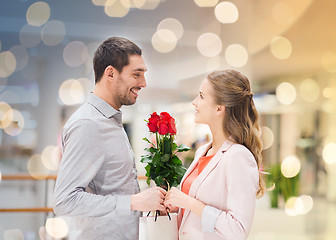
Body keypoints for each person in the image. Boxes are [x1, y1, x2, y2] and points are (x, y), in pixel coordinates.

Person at [53, 37, 167, 240]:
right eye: (136, 75)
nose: (143, 83)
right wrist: (134, 202)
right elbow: (64, 201)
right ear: (111, 73)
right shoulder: (88, 124)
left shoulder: (110, 120)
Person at [164, 69, 265, 240]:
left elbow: (237, 230)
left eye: (202, 96)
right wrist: (177, 207)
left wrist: (189, 202)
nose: (195, 102)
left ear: (219, 108)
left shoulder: (238, 157)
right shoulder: (203, 151)